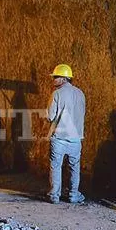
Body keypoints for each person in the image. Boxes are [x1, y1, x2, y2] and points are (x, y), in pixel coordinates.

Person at [46, 64, 86, 204]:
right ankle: (73, 195)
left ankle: (54, 196)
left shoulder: (57, 94)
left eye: (56, 77)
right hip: (76, 138)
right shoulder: (80, 93)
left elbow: (50, 116)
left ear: (63, 78)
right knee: (74, 167)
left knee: (56, 166)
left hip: (59, 138)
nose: (53, 79)